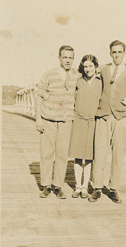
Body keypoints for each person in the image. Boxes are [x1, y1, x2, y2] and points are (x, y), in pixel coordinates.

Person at [90, 40, 126, 203]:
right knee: (99, 151)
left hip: (122, 117)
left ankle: (113, 189)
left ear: (124, 54)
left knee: (118, 153)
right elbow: (88, 76)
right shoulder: (103, 69)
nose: (117, 55)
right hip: (104, 116)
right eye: (114, 52)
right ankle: (97, 188)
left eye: (120, 52)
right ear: (110, 53)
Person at [36, 45, 79, 199]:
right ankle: (46, 185)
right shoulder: (49, 74)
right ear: (59, 58)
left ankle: (58, 186)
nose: (67, 60)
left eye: (70, 57)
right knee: (47, 153)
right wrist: (38, 118)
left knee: (62, 154)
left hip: (66, 120)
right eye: (65, 57)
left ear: (73, 59)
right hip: (48, 119)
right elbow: (39, 94)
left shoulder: (77, 75)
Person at [69, 55, 102, 198]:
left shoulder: (101, 82)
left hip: (93, 122)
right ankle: (77, 186)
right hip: (79, 120)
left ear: (95, 67)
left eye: (91, 66)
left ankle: (84, 187)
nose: (88, 69)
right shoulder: (78, 81)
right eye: (86, 66)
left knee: (89, 157)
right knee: (77, 155)